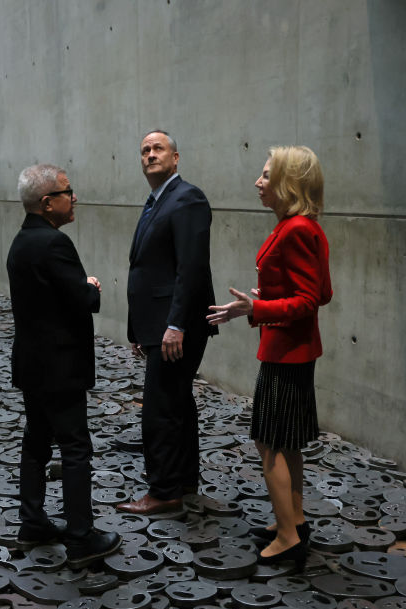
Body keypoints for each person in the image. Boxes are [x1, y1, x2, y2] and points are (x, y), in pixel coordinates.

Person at [207, 145, 332, 570]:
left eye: (266, 175)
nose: (258, 183)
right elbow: (321, 293)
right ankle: (293, 521)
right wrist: (269, 299)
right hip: (293, 350)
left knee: (270, 442)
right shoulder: (303, 226)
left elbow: (309, 301)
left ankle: (288, 537)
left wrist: (256, 309)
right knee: (284, 440)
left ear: (287, 184)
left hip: (286, 353)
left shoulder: (295, 230)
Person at [6, 163, 122, 569]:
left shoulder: (21, 242)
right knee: (74, 448)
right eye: (67, 191)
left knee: (36, 440)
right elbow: (81, 302)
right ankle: (80, 537)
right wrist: (90, 287)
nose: (74, 198)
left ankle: (33, 521)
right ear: (46, 202)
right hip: (59, 367)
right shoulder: (54, 244)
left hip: (32, 364)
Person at [117, 131, 217, 516]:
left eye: (158, 149)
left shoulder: (187, 198)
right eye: (144, 150)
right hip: (158, 325)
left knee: (159, 408)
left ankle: (163, 492)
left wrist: (175, 324)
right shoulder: (156, 202)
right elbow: (143, 268)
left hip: (176, 327)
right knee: (176, 402)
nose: (150, 155)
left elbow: (190, 267)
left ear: (176, 158)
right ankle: (184, 481)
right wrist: (136, 329)